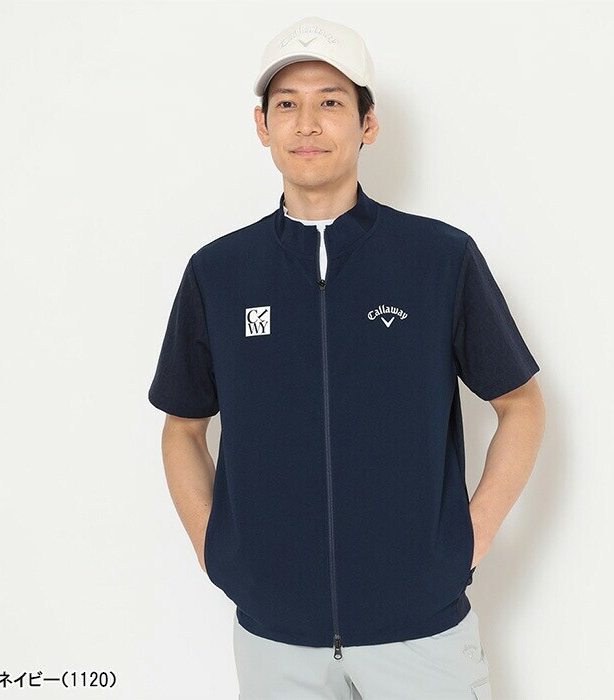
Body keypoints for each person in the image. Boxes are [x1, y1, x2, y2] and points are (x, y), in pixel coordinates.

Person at [148, 15, 546, 700]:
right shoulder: (219, 273)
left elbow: (521, 404)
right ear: (262, 126)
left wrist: (470, 536)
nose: (307, 123)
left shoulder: (439, 259)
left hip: (422, 634)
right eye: (287, 105)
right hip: (275, 640)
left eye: (330, 102)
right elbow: (182, 426)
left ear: (368, 124)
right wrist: (216, 550)